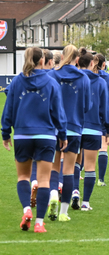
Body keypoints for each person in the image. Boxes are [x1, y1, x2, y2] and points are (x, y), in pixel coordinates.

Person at [1, 47, 67, 232]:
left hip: (22, 135)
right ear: (42, 61)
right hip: (46, 136)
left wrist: (5, 133)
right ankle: (39, 223)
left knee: (23, 177)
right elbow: (58, 112)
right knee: (44, 180)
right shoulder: (51, 82)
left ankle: (27, 209)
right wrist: (62, 135)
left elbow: (9, 109)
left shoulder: (16, 82)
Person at [48, 44, 91, 221]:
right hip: (74, 128)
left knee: (53, 168)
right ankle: (64, 213)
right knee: (69, 171)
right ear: (78, 59)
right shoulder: (84, 78)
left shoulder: (52, 75)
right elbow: (88, 106)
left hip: (54, 128)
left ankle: (52, 196)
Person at [76, 48, 109, 211]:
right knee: (90, 165)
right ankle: (86, 203)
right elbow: (105, 108)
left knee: (73, 164)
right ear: (93, 63)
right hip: (93, 128)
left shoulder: (73, 79)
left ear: (78, 62)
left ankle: (74, 192)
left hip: (74, 128)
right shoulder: (100, 82)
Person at [30, 48, 55, 207]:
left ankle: (33, 182)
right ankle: (54, 190)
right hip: (48, 129)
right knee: (50, 169)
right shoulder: (51, 79)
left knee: (32, 161)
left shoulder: (24, 78)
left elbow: (10, 93)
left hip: (28, 128)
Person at [94, 53, 109, 187]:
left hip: (88, 116)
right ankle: (101, 179)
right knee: (103, 147)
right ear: (104, 64)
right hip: (104, 115)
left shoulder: (86, 76)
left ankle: (79, 173)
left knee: (86, 148)